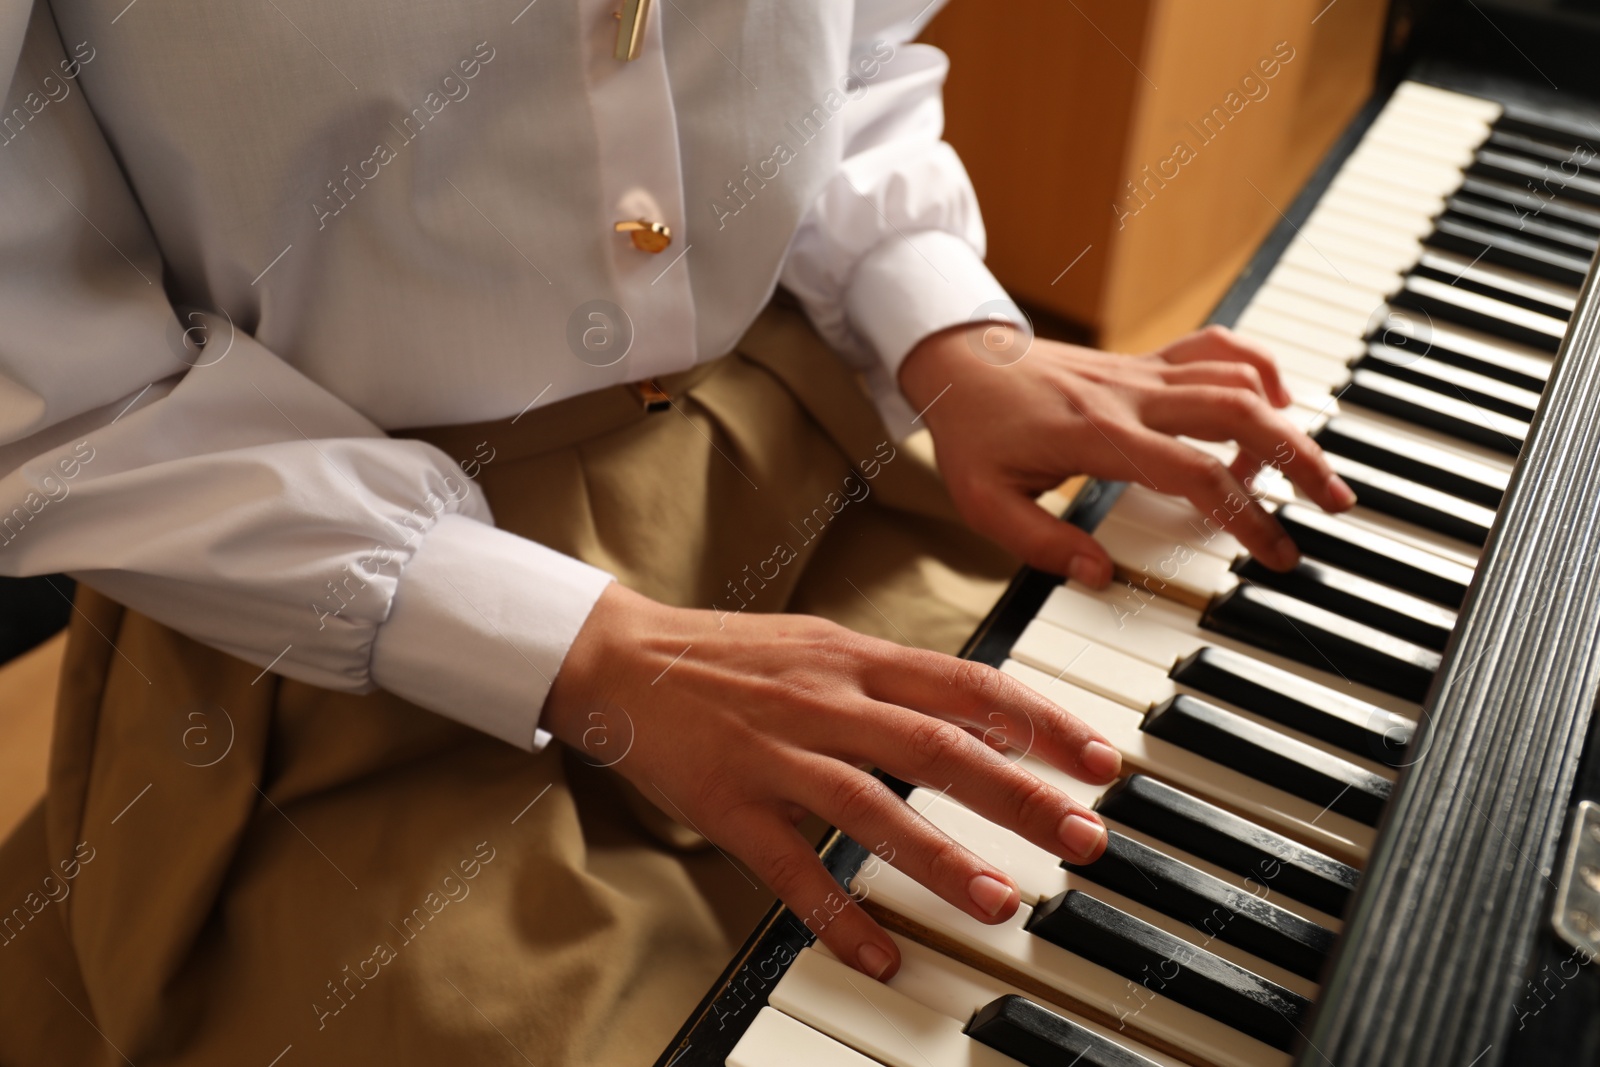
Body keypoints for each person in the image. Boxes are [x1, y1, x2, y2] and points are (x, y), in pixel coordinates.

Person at [0, 0, 1353, 1063]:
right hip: (331, 626)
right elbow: (47, 384)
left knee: (1177, 831)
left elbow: (847, 49)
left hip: (794, 459)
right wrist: (582, 651)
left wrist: (945, 324)